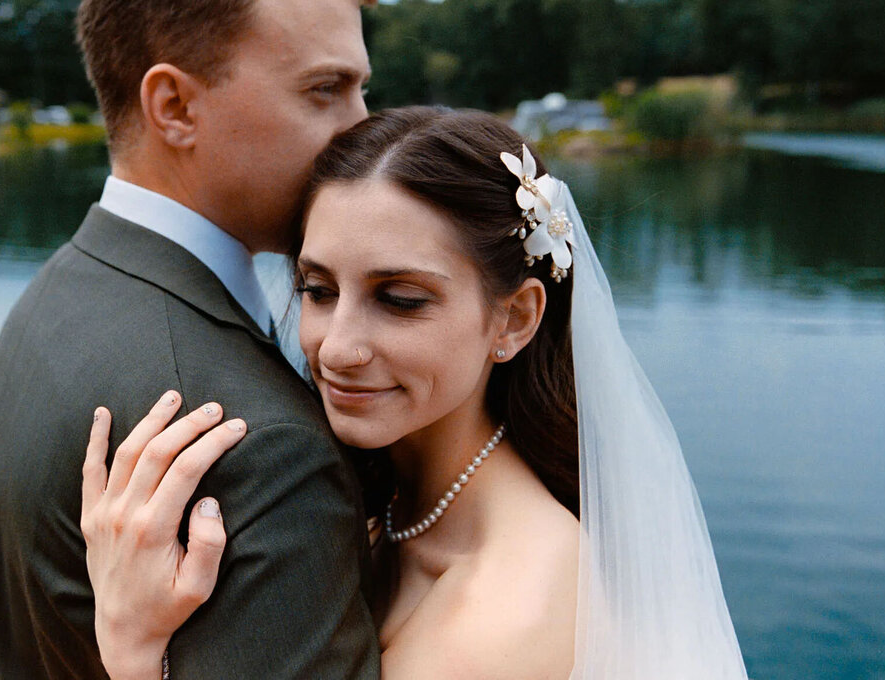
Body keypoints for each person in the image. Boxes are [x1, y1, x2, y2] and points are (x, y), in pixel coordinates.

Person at [81, 108, 750, 679]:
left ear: (514, 319)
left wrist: (132, 650)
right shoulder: (385, 502)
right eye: (317, 291)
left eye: (399, 300)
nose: (337, 348)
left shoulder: (510, 609)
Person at [0, 0, 383, 679]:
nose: (366, 129)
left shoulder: (59, 294)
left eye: (363, 90)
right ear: (175, 107)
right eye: (325, 90)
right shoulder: (256, 445)